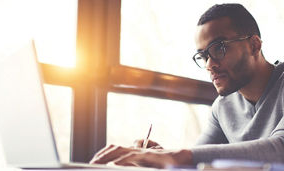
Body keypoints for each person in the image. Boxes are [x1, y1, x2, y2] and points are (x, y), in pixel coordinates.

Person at [90, 3, 284, 168]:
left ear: (254, 45)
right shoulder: (222, 106)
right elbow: (197, 158)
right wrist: (162, 155)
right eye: (204, 56)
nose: (209, 65)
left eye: (219, 48)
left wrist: (178, 156)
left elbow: (280, 149)